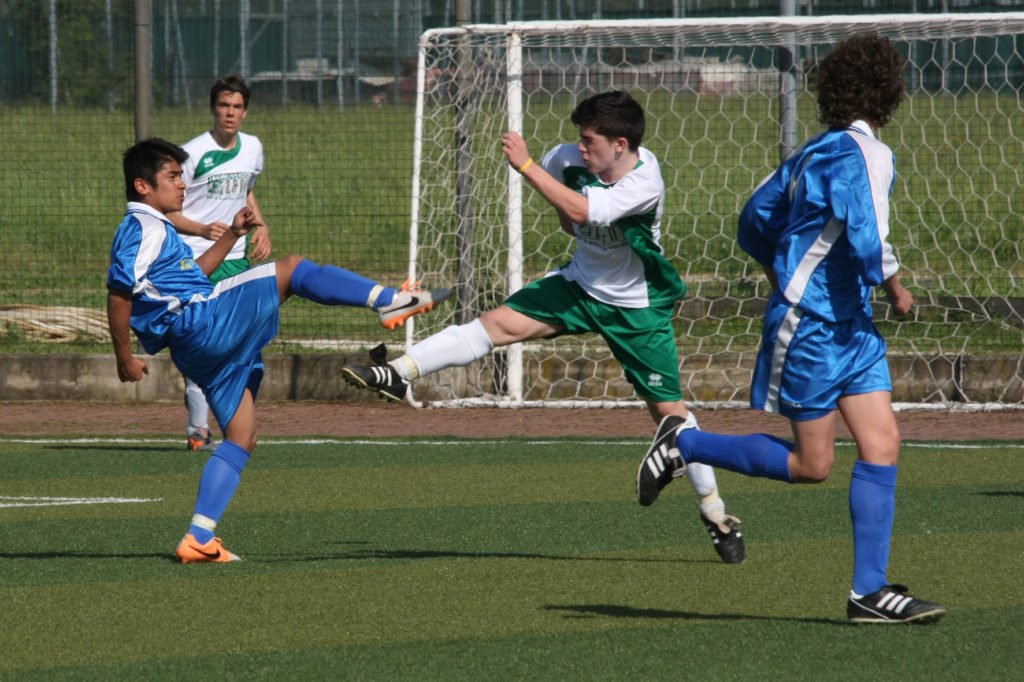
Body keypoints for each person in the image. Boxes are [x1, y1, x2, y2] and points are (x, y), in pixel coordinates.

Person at [342, 90, 746, 564]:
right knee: (494, 324)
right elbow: (570, 222)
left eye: (589, 140)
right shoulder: (567, 158)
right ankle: (399, 372)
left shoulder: (645, 181)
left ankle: (716, 513)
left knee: (670, 414)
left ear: (620, 144)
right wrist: (546, 176)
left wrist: (525, 166)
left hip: (636, 307)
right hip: (578, 285)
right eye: (579, 138)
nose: (580, 147)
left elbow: (582, 212)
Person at [636, 34, 945, 623]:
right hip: (813, 326)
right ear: (890, 93)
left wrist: (786, 267)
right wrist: (897, 288)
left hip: (849, 323)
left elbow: (754, 219)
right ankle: (684, 444)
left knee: (882, 444)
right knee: (813, 465)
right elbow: (865, 235)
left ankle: (869, 593)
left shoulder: (814, 151)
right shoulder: (867, 155)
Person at [107, 138, 451, 563]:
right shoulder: (145, 227)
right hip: (200, 324)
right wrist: (123, 355)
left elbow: (190, 278)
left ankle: (199, 538)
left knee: (241, 437)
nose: (182, 184)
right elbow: (120, 291)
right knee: (291, 268)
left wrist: (232, 234)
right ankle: (388, 301)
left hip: (194, 349)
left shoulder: (158, 228)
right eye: (173, 176)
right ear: (143, 186)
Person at [166, 74, 272, 452]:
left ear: (246, 111)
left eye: (237, 106)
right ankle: (198, 431)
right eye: (224, 105)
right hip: (199, 262)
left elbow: (246, 190)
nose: (230, 113)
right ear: (213, 108)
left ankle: (237, 428)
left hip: (238, 260)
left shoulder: (253, 148)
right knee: (207, 344)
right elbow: (167, 211)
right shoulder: (191, 154)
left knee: (247, 345)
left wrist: (260, 224)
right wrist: (201, 228)